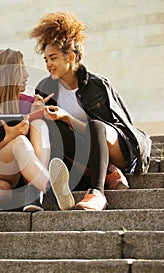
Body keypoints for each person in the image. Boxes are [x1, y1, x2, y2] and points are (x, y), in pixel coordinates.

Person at [30, 12, 151, 211]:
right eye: (45, 59)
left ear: (70, 57)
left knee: (96, 126)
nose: (48, 64)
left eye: (53, 58)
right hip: (84, 154)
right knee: (47, 127)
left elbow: (117, 128)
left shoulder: (97, 85)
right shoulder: (45, 88)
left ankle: (97, 192)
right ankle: (107, 173)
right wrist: (36, 113)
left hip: (114, 148)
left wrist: (67, 118)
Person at [0, 48, 75, 211]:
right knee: (19, 142)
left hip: (26, 167)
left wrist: (36, 114)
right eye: (21, 70)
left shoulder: (30, 101)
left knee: (39, 124)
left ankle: (33, 188)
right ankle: (49, 188)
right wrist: (12, 135)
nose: (26, 75)